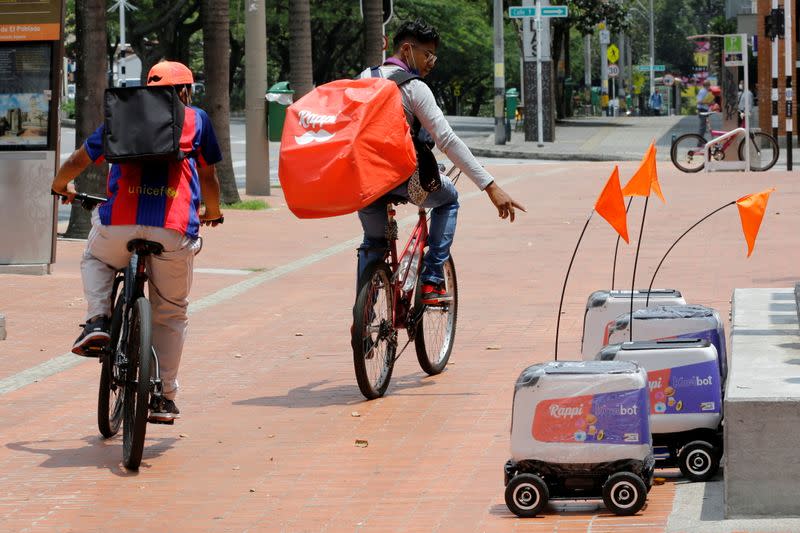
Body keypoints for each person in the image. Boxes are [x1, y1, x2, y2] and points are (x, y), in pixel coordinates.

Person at [50, 61, 224, 423]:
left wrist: (59, 186)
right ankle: (163, 395)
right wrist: (212, 210)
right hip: (172, 229)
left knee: (96, 260)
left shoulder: (122, 116)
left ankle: (98, 320)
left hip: (120, 225)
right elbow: (208, 175)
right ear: (186, 91)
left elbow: (79, 158)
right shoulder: (197, 120)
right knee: (171, 312)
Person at [356, 19, 525, 303]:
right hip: (403, 181)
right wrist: (490, 186)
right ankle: (433, 279)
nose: (431, 62)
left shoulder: (365, 78)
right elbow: (446, 140)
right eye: (427, 54)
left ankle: (363, 317)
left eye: (434, 56)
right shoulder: (414, 88)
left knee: (373, 244)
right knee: (449, 199)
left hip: (365, 183)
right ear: (407, 50)